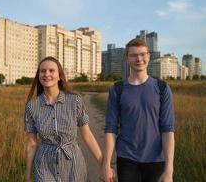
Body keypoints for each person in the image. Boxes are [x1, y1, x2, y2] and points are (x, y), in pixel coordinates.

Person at [101, 38, 175, 182]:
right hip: (126, 158)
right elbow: (110, 129)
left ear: (149, 56)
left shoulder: (162, 88)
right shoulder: (117, 89)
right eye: (133, 55)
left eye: (142, 54)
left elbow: (168, 130)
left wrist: (169, 170)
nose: (139, 59)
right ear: (127, 58)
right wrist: (106, 165)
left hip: (156, 159)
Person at [25, 56, 103, 182]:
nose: (46, 74)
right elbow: (31, 143)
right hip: (45, 165)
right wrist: (28, 175)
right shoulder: (32, 107)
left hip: (73, 163)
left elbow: (87, 135)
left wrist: (103, 165)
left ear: (60, 76)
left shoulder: (75, 101)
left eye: (51, 70)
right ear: (38, 75)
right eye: (42, 71)